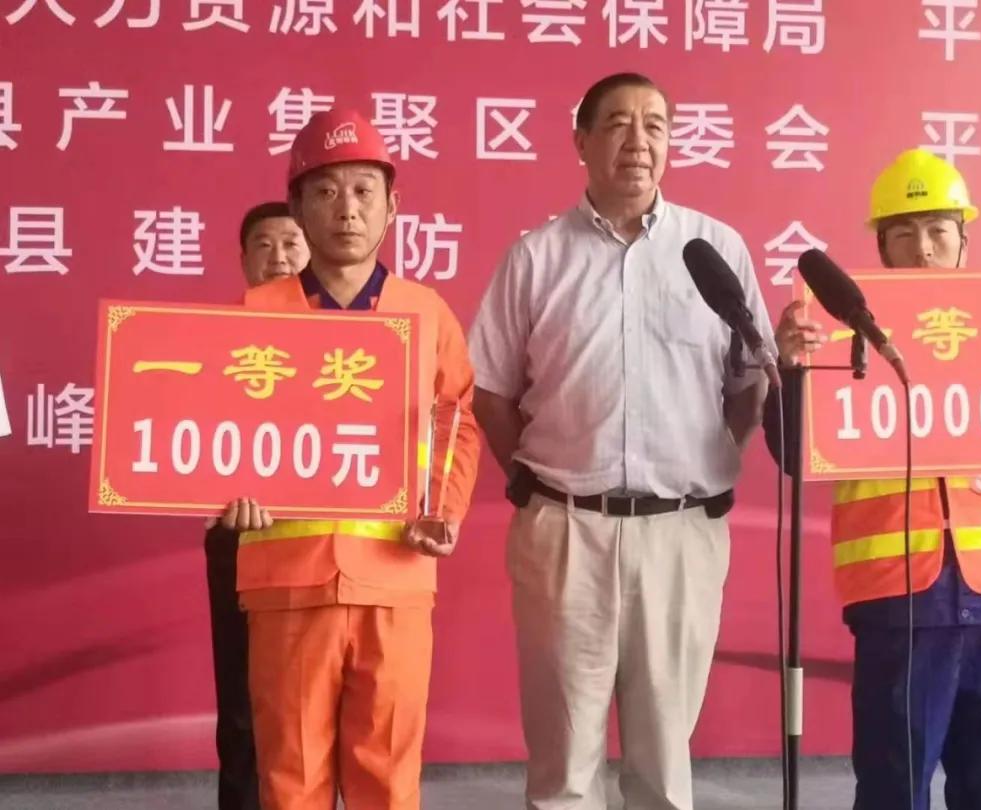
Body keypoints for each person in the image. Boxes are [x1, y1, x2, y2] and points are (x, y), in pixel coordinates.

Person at [468, 72, 775, 810]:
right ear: (582, 141)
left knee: (664, 766)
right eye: (617, 124)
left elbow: (749, 382)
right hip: (565, 530)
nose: (639, 142)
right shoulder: (537, 257)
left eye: (655, 125)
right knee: (563, 768)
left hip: (681, 533)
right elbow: (490, 392)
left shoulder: (716, 249)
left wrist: (707, 462)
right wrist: (530, 482)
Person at [765, 148, 981, 810]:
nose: (922, 248)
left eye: (938, 231)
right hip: (901, 596)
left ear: (964, 239)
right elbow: (794, 454)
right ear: (881, 248)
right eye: (904, 233)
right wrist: (792, 370)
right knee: (895, 788)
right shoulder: (840, 335)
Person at [220, 109, 480, 810]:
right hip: (287, 583)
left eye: (365, 191)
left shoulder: (425, 312)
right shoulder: (255, 312)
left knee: (387, 782)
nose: (347, 210)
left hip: (396, 576)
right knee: (289, 781)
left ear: (393, 206)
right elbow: (223, 430)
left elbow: (459, 423)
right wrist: (227, 490)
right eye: (327, 192)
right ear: (298, 206)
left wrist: (443, 511)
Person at [205, 201, 309, 810]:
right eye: (264, 245)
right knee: (244, 706)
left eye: (291, 243)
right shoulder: (214, 345)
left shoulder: (355, 347)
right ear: (243, 260)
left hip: (325, 541)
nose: (279, 257)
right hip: (239, 534)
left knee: (315, 707)